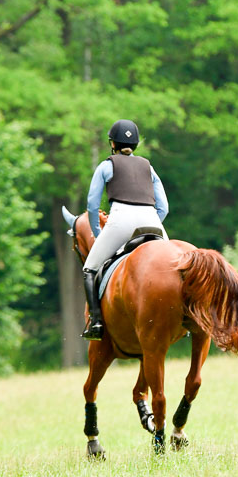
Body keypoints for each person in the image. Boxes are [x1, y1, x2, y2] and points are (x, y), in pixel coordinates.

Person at [82, 118, 169, 340]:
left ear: (112, 144)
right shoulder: (148, 167)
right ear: (136, 144)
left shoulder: (106, 166)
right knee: (174, 267)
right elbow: (164, 207)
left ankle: (97, 323)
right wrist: (152, 223)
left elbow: (92, 205)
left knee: (89, 269)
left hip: (121, 221)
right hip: (153, 222)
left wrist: (98, 232)